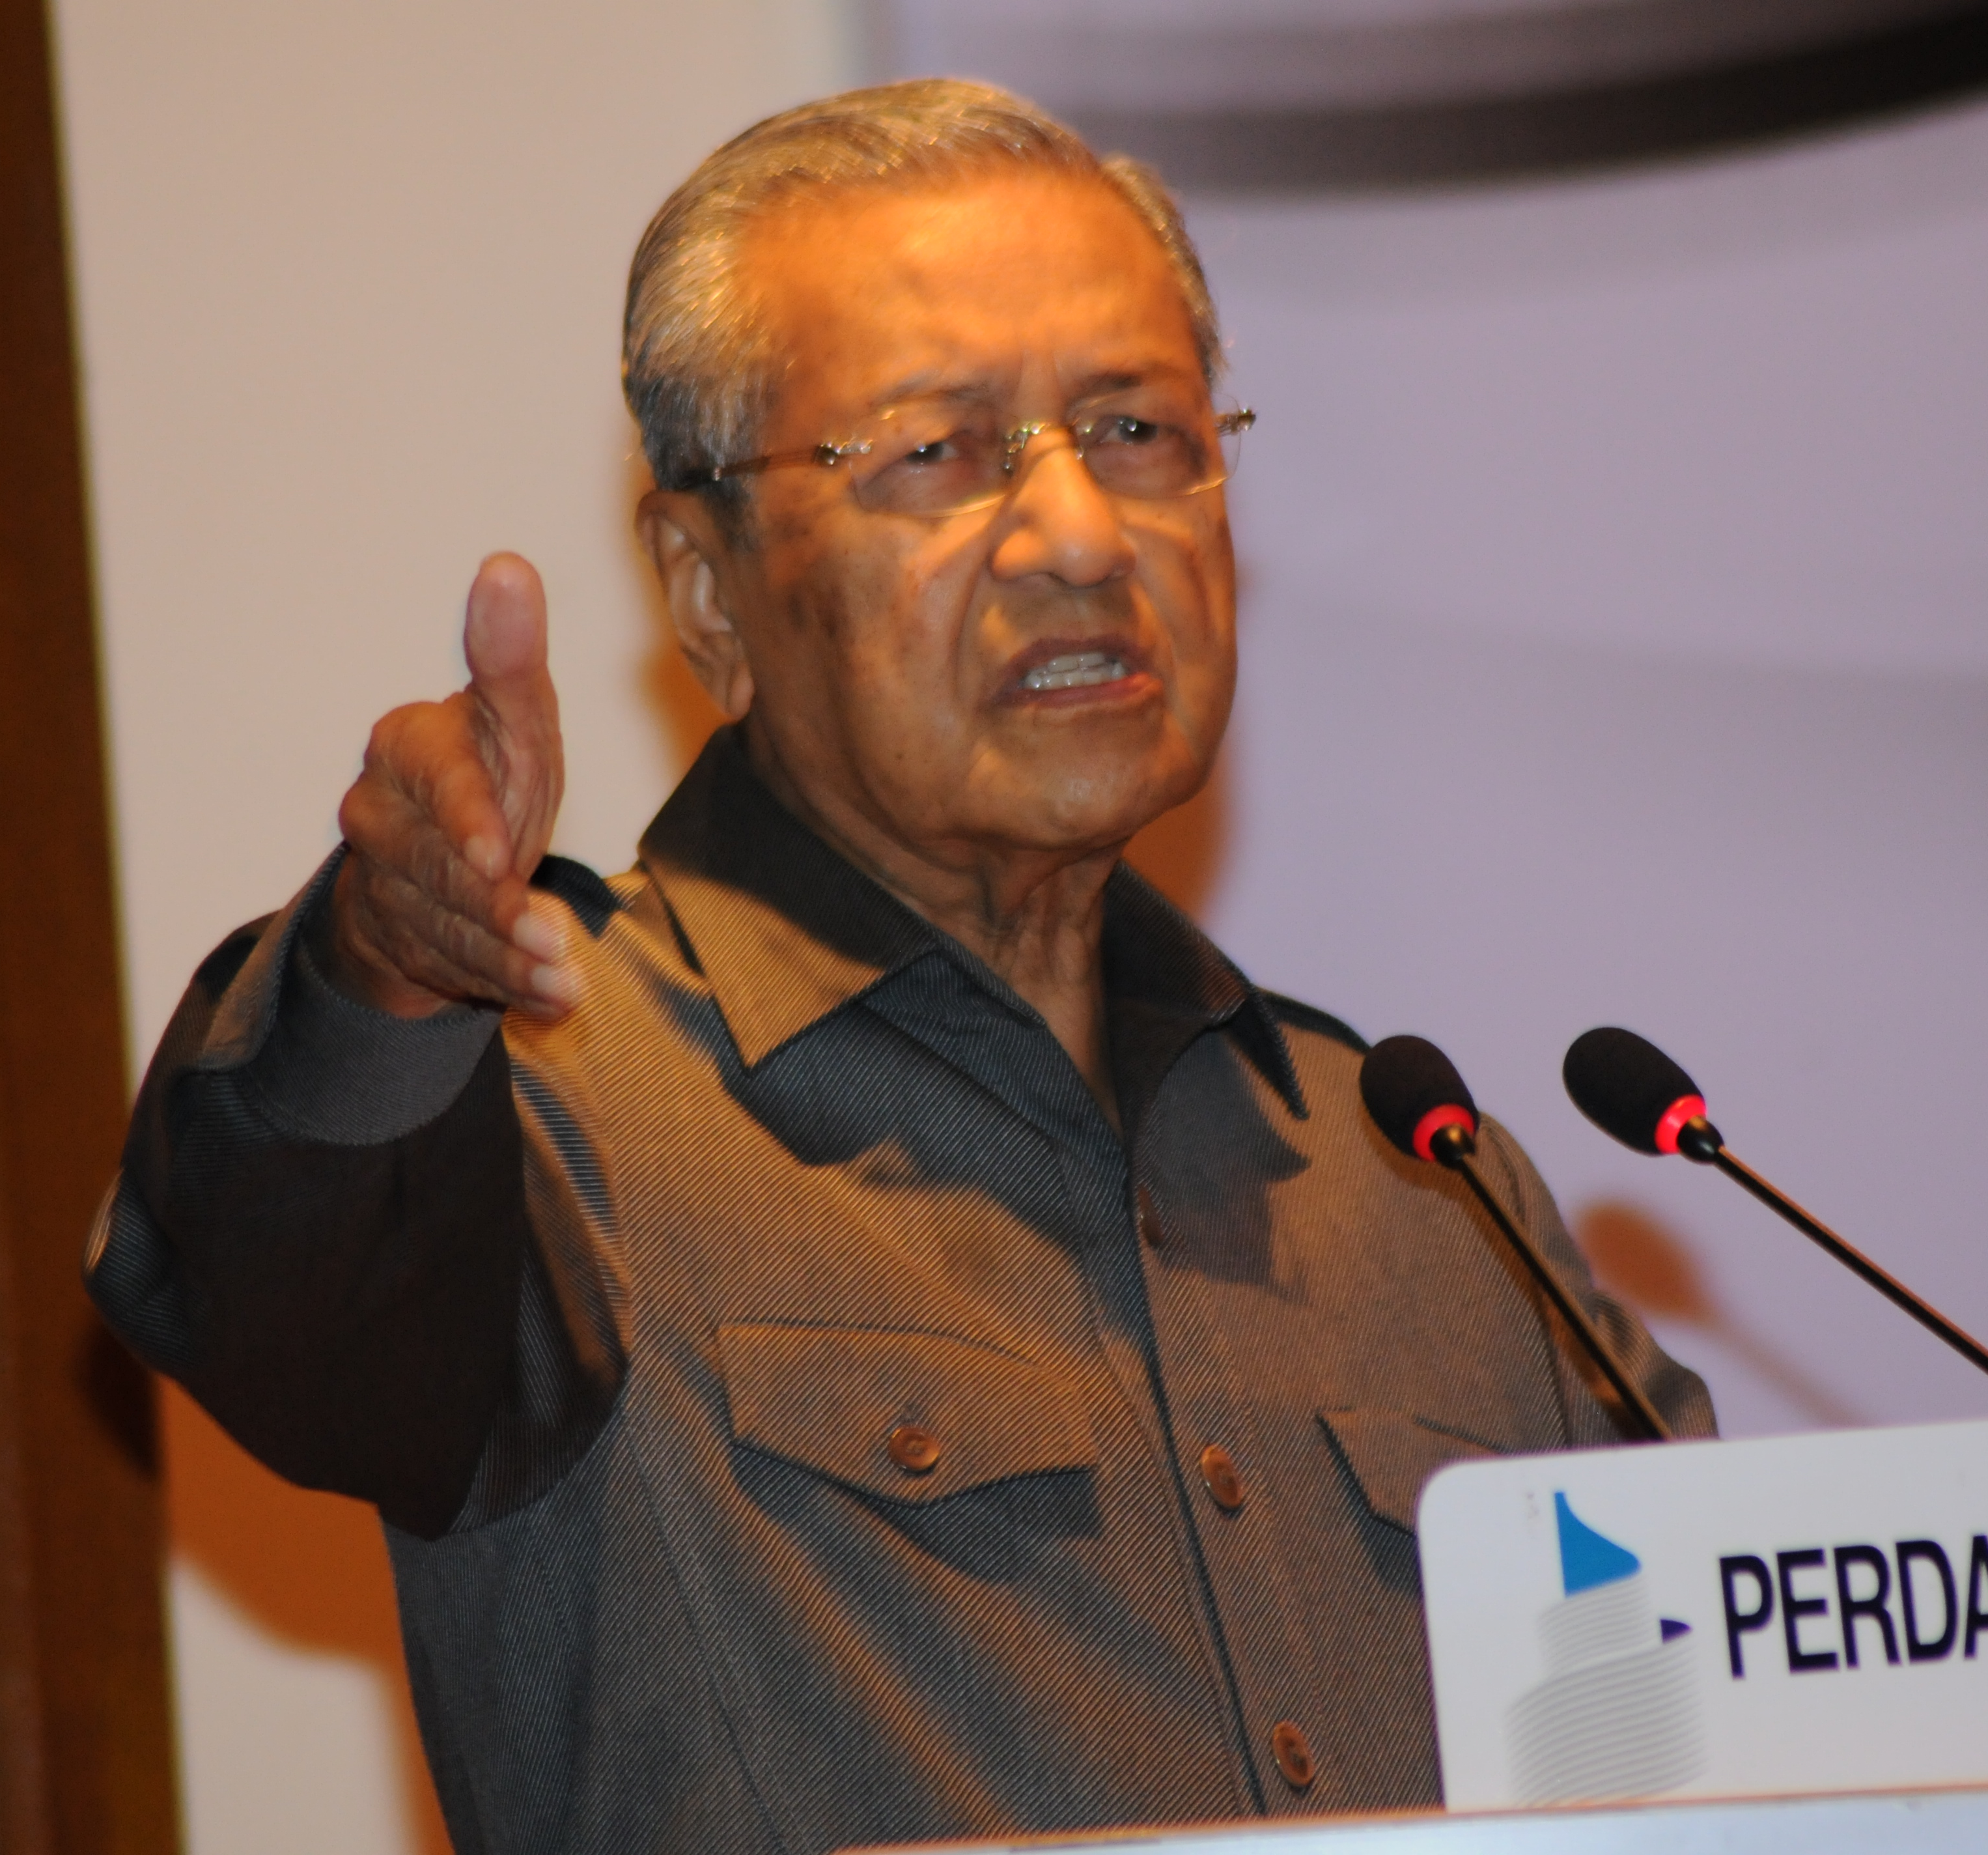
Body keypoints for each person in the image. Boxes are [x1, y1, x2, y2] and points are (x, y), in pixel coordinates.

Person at [87, 78, 1711, 1855]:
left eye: (1139, 431)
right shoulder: (549, 1110)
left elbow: (1748, 1749)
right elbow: (261, 1276)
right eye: (938, 452)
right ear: (707, 593)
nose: (1080, 535)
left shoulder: (1420, 1186)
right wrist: (384, 963)